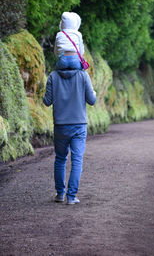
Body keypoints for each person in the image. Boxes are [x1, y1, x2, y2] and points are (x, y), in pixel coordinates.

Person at [43, 12, 96, 205]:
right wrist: (93, 91)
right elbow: (92, 100)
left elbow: (47, 102)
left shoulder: (53, 77)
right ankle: (71, 197)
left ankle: (59, 194)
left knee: (60, 159)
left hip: (60, 125)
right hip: (79, 124)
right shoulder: (83, 76)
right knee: (77, 160)